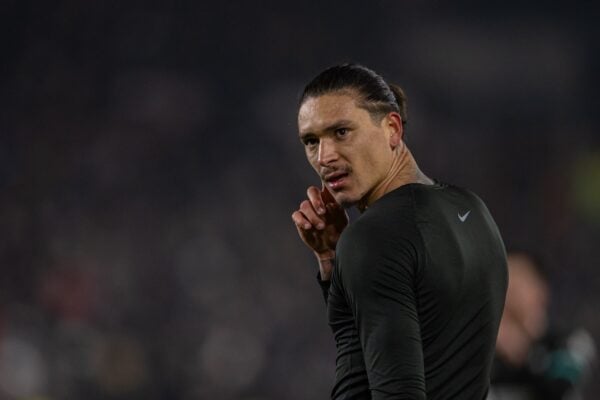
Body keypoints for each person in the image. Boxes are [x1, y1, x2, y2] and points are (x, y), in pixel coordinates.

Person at [291, 63, 508, 399]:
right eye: (310, 140)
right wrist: (333, 260)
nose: (324, 156)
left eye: (341, 132)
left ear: (392, 128)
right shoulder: (474, 209)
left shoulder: (374, 236)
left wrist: (352, 250)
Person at [489, 251, 596, 400]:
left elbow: (562, 381)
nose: (510, 286)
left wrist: (525, 354)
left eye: (520, 277)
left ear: (540, 289)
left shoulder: (571, 340)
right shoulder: (484, 345)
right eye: (505, 276)